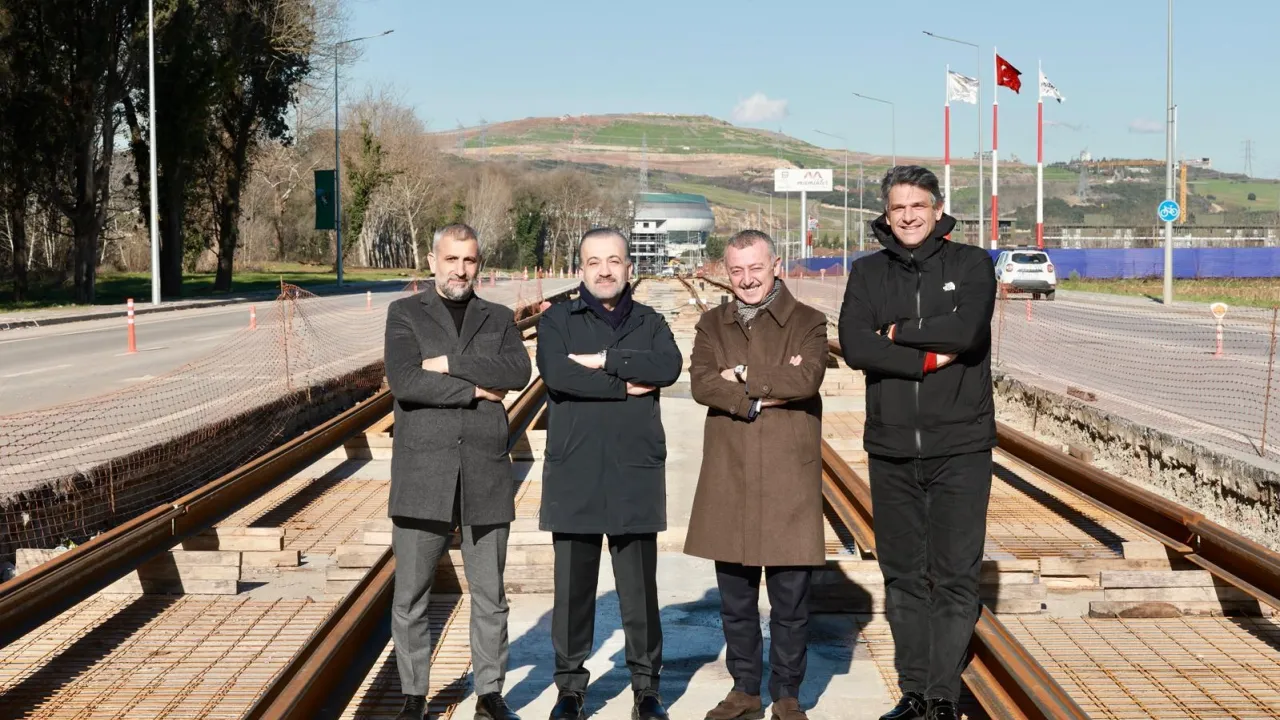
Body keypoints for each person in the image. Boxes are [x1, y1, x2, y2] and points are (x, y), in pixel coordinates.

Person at [837, 166, 997, 720]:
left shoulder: (972, 264)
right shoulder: (867, 272)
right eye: (898, 207)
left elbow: (967, 332)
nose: (907, 216)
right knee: (903, 575)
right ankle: (913, 693)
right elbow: (855, 345)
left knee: (954, 575)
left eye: (918, 205)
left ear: (937, 209)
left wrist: (898, 332)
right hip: (892, 446)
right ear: (886, 213)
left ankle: (942, 696)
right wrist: (927, 358)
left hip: (962, 445)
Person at [383, 223, 533, 720]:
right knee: (411, 595)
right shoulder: (404, 313)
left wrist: (446, 363)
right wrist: (474, 390)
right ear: (433, 262)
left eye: (469, 260)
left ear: (479, 264)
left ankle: (490, 694)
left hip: (484, 472)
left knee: (490, 594)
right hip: (423, 473)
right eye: (451, 259)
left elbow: (517, 372)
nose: (460, 270)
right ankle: (413, 697)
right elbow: (405, 381)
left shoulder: (499, 317)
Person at [535, 227, 684, 720]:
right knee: (572, 593)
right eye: (594, 262)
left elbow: (667, 367)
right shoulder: (557, 320)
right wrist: (624, 385)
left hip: (634, 472)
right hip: (575, 471)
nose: (604, 271)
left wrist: (603, 361)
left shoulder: (650, 321)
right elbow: (558, 374)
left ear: (628, 267)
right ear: (580, 269)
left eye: (614, 261)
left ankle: (647, 690)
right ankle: (570, 690)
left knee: (640, 592)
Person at [685, 229, 829, 720]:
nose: (747, 279)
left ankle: (787, 694)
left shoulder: (809, 321)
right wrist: (763, 394)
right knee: (736, 600)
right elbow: (702, 384)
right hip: (730, 474)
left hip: (789, 477)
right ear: (727, 272)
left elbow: (806, 379)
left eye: (756, 268)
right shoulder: (711, 324)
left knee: (790, 601)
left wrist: (743, 374)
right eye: (737, 270)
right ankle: (744, 690)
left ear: (775, 266)